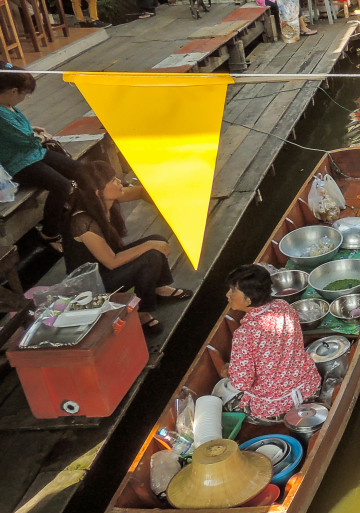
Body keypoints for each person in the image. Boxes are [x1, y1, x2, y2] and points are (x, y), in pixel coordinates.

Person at [62, 160, 193, 336]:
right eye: (113, 180)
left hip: (107, 267)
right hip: (96, 283)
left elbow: (140, 191)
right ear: (98, 192)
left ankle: (159, 288)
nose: (119, 182)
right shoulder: (83, 222)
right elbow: (112, 262)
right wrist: (149, 245)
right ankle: (140, 311)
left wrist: (174, 203)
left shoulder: (105, 198)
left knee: (158, 239)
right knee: (152, 254)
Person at [224, 264, 321, 421]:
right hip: (310, 388)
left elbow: (241, 383)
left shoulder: (244, 335)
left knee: (225, 403)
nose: (228, 295)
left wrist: (229, 371)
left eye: (232, 291)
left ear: (248, 300)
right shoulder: (283, 306)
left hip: (278, 408)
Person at [0, 66, 80, 251]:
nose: (24, 98)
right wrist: (42, 137)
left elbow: (23, 134)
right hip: (18, 163)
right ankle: (49, 232)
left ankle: (81, 208)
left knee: (76, 168)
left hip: (31, 154)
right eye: (24, 94)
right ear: (13, 91)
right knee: (61, 185)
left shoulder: (8, 105)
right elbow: (27, 141)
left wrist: (33, 131)